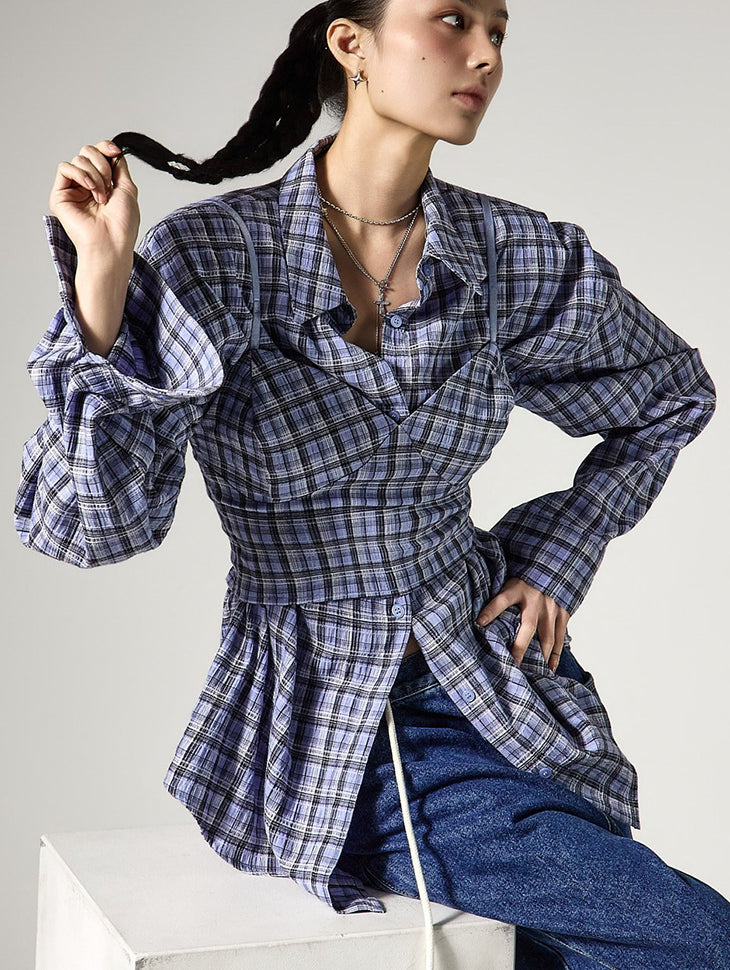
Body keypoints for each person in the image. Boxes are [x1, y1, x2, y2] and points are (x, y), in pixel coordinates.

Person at [14, 1, 730, 967]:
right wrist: (103, 299)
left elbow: (671, 394)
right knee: (698, 942)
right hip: (329, 728)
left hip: (500, 687)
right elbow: (91, 529)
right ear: (351, 44)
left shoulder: (510, 255)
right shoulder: (218, 259)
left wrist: (558, 555)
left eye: (498, 31)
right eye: (452, 20)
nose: (484, 55)